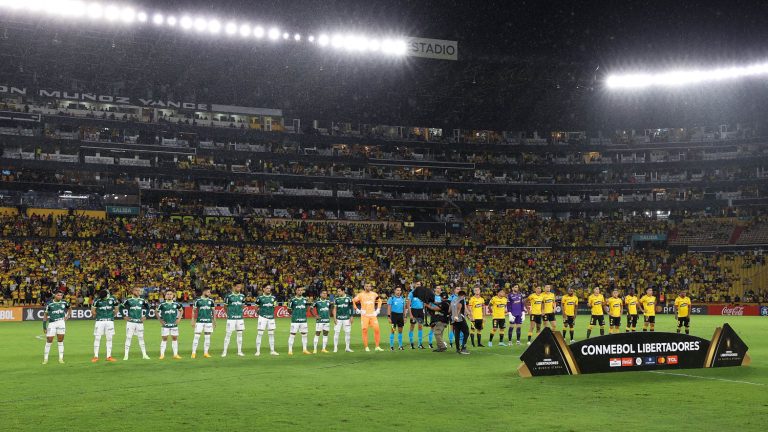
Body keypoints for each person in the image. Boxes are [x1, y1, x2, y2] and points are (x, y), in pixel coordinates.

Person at [353, 282, 384, 352]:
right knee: (364, 330)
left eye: (369, 286)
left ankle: (377, 346)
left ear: (371, 287)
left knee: (377, 329)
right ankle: (366, 347)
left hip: (373, 315)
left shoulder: (374, 294)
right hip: (364, 315)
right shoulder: (360, 295)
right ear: (364, 287)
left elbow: (379, 301)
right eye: (366, 286)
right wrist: (357, 309)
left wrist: (378, 309)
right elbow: (353, 301)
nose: (368, 287)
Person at [122, 286, 150, 360]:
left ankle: (144, 355)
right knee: (128, 338)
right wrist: (124, 316)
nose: (138, 292)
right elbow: (121, 307)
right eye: (137, 290)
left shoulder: (142, 300)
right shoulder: (128, 300)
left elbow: (148, 308)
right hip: (130, 322)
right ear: (133, 291)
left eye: (139, 291)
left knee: (141, 338)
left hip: (139, 322)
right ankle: (126, 355)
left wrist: (145, 316)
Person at [91, 289, 119, 362]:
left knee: (109, 338)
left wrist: (111, 316)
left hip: (109, 322)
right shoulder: (97, 300)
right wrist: (99, 316)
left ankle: (109, 356)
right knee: (97, 338)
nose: (101, 299)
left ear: (107, 295)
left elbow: (116, 309)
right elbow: (93, 311)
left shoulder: (113, 299)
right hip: (99, 321)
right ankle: (95, 356)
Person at [42, 290, 69, 364]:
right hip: (52, 324)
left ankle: (61, 358)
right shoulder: (50, 304)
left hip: (61, 323)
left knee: (60, 341)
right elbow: (45, 315)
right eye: (58, 295)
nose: (60, 296)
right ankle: (45, 359)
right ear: (55, 295)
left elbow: (70, 308)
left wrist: (67, 316)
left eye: (61, 295)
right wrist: (44, 326)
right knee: (49, 340)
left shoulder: (64, 302)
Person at [157, 290, 183, 360]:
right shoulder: (162, 304)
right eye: (167, 294)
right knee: (164, 339)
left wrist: (179, 319)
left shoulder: (176, 304)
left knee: (174, 338)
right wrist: (160, 320)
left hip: (174, 325)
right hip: (165, 325)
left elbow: (181, 310)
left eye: (170, 294)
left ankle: (175, 354)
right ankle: (162, 355)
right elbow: (156, 311)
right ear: (165, 296)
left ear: (173, 296)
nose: (169, 295)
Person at [191, 287, 216, 358]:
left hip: (208, 321)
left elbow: (213, 312)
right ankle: (193, 353)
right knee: (196, 336)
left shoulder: (211, 301)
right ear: (204, 292)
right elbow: (194, 311)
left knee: (207, 337)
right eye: (208, 292)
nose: (209, 293)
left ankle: (206, 353)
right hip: (199, 321)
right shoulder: (198, 301)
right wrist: (193, 320)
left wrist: (214, 321)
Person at [254, 285, 279, 356]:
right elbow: (256, 307)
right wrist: (260, 314)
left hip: (271, 318)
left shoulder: (273, 298)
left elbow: (274, 307)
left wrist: (270, 313)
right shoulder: (260, 298)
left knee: (271, 334)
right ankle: (258, 351)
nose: (268, 289)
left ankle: (272, 351)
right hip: (262, 318)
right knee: (260, 334)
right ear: (263, 289)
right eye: (267, 288)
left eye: (269, 288)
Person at [222, 283, 245, 357]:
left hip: (240, 318)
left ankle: (239, 351)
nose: (239, 288)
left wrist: (239, 312)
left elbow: (243, 306)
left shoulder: (242, 296)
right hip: (231, 318)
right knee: (228, 334)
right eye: (238, 287)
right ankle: (224, 351)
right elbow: (225, 307)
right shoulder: (229, 296)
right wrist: (228, 314)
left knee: (240, 334)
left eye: (240, 287)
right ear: (234, 287)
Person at [287, 286, 311, 355]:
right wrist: (293, 314)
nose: (300, 291)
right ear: (296, 291)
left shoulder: (305, 299)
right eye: (299, 290)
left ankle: (305, 349)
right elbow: (288, 309)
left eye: (301, 290)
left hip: (303, 320)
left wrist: (308, 305)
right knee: (292, 334)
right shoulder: (292, 300)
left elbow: (306, 309)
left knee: (304, 335)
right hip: (295, 320)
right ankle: (290, 350)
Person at [332, 287, 354, 353]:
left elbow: (351, 308)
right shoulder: (336, 299)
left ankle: (347, 348)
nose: (338, 293)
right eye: (337, 291)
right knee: (336, 333)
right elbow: (335, 309)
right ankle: (335, 348)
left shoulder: (349, 298)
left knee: (347, 333)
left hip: (347, 319)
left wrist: (351, 316)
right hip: (338, 319)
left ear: (343, 291)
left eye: (339, 291)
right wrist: (334, 318)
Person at [450, 290, 471, 355]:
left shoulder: (453, 300)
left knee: (457, 333)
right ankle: (463, 348)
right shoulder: (461, 300)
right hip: (460, 319)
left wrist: (453, 316)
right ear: (463, 295)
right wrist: (456, 315)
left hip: (453, 319)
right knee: (466, 332)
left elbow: (449, 309)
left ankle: (457, 349)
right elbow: (459, 308)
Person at [406, 282, 426, 349]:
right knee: (412, 326)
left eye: (419, 285)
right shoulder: (411, 293)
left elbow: (423, 303)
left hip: (420, 311)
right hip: (414, 311)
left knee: (420, 327)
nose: (418, 286)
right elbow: (408, 305)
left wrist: (423, 310)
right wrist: (410, 314)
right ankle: (411, 343)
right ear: (414, 285)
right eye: (417, 284)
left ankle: (420, 344)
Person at [312, 289, 332, 353]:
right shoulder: (317, 302)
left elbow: (331, 308)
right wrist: (315, 316)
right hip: (320, 321)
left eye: (326, 293)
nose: (325, 294)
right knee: (317, 334)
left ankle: (323, 348)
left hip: (327, 321)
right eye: (323, 293)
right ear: (320, 294)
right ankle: (315, 349)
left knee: (325, 334)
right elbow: (311, 309)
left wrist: (329, 314)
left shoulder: (328, 302)